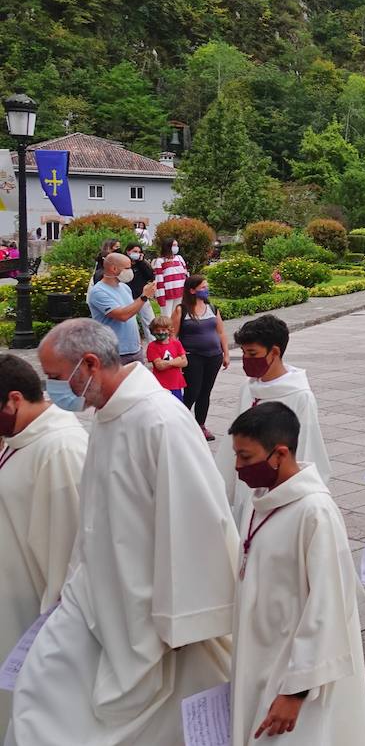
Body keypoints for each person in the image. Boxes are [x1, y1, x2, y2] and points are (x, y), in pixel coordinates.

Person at [14, 319, 236, 744]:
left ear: (91, 364)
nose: (54, 389)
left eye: (58, 378)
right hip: (98, 593)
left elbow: (197, 519)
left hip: (148, 606)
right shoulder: (111, 413)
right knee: (42, 690)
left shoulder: (159, 420)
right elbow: (97, 511)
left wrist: (186, 619)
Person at [227, 403, 365, 746]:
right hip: (259, 653)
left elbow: (329, 608)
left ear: (279, 454)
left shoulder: (315, 513)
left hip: (292, 668)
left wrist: (296, 692)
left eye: (246, 457)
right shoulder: (260, 499)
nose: (237, 467)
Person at [0, 354, 87, 740]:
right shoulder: (21, 439)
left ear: (14, 400)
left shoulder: (61, 450)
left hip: (31, 613)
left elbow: (71, 553)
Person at [221, 314, 333, 527]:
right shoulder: (248, 388)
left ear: (274, 352)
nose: (246, 359)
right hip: (246, 480)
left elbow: (305, 450)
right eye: (243, 353)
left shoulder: (300, 396)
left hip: (277, 485)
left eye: (252, 353)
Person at [171, 273, 230, 440]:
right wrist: (178, 357)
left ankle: (200, 425)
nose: (206, 290)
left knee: (205, 392)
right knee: (192, 391)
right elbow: (173, 336)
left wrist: (226, 353)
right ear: (192, 290)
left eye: (206, 286)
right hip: (192, 356)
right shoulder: (181, 310)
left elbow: (221, 332)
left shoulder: (212, 308)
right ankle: (179, 423)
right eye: (202, 287)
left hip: (214, 356)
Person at [87, 252, 154, 365]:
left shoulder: (124, 287)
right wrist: (144, 296)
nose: (130, 271)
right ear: (114, 268)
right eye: (127, 268)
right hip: (115, 353)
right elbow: (122, 315)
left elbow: (132, 313)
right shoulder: (98, 292)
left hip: (135, 350)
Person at [145, 315, 187, 400]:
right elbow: (159, 366)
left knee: (177, 406)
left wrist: (166, 363)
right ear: (153, 332)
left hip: (176, 383)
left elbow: (185, 362)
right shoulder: (152, 346)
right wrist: (176, 361)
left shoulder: (176, 343)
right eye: (157, 330)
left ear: (169, 330)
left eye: (163, 330)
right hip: (161, 385)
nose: (160, 332)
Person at [125, 243, 156, 338]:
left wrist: (141, 262)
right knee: (131, 324)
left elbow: (150, 276)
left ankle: (153, 344)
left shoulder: (141, 264)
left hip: (142, 296)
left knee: (150, 322)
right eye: (134, 251)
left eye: (139, 252)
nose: (137, 253)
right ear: (128, 252)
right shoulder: (124, 265)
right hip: (128, 299)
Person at [151, 235, 187, 313]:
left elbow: (185, 275)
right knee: (167, 318)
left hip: (180, 293)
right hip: (168, 295)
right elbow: (159, 280)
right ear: (168, 246)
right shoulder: (160, 261)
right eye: (174, 245)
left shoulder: (180, 258)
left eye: (177, 245)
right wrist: (161, 297)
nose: (176, 247)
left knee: (177, 316)